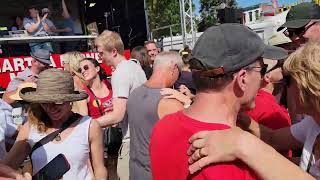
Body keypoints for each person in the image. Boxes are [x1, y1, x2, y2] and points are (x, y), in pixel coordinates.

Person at [149, 24, 287, 180]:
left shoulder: (162, 127)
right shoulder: (238, 162)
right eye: (262, 69)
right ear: (243, 78)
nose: (263, 78)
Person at [187, 41, 320, 179]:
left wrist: (242, 144)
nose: (285, 86)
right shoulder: (313, 124)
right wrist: (244, 121)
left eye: (288, 80)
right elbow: (272, 138)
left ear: (307, 85)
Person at [3, 68, 107, 179]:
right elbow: (5, 170)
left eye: (58, 101)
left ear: (70, 99)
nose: (50, 108)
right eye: (45, 102)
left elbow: (99, 168)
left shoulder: (89, 126)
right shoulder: (29, 128)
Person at [128, 51, 191, 180]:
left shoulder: (134, 94)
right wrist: (187, 103)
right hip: (158, 174)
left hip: (136, 172)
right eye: (179, 73)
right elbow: (190, 140)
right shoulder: (170, 102)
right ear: (174, 68)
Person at [95, 30, 146, 180]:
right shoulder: (134, 66)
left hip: (131, 140)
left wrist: (89, 124)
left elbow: (118, 115)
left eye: (101, 53)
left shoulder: (120, 72)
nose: (100, 57)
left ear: (114, 52)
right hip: (142, 137)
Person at [61, 51, 88, 116]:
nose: (62, 65)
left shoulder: (71, 81)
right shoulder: (88, 77)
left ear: (70, 63)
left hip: (80, 119)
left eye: (63, 62)